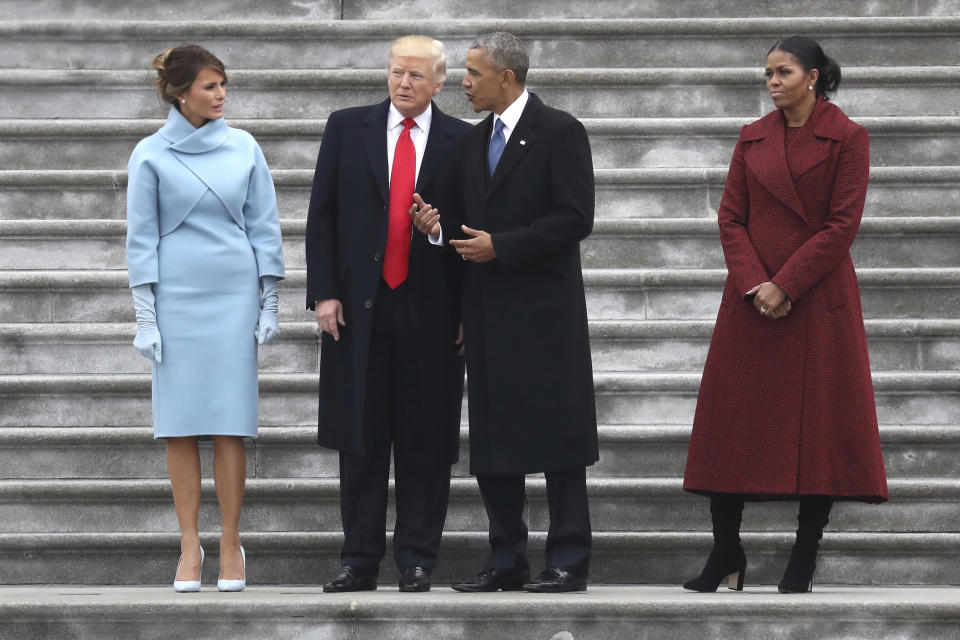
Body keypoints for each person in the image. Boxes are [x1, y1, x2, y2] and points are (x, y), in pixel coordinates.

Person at [682, 36, 888, 594]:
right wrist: (756, 283)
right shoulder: (752, 138)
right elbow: (730, 218)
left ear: (813, 78)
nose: (772, 81)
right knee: (730, 425)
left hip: (816, 299)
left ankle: (804, 555)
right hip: (751, 302)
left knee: (817, 430)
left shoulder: (848, 138)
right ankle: (726, 551)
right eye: (768, 73)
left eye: (783, 72)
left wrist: (786, 283)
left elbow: (842, 225)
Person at [413, 32, 598, 593]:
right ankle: (507, 560)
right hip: (488, 313)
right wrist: (438, 228)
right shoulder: (472, 143)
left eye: (472, 73)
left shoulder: (560, 131)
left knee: (560, 442)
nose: (462, 83)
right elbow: (462, 219)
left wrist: (504, 245)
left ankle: (567, 560)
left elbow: (575, 218)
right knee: (494, 445)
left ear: (507, 78)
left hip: (546, 315)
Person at [305, 36, 470, 593]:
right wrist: (324, 293)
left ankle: (418, 558)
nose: (404, 84)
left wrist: (439, 231)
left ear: (440, 83)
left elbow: (471, 225)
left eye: (417, 77)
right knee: (361, 438)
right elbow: (321, 214)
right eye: (397, 73)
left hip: (431, 309)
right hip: (359, 309)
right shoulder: (346, 127)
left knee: (426, 440)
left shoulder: (462, 140)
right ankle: (359, 559)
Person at [126, 45, 285, 593]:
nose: (221, 95)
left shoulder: (245, 147)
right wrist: (145, 316)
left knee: (229, 421)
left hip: (232, 292)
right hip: (176, 295)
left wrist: (270, 300)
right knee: (179, 423)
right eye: (210, 86)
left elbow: (264, 225)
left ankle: (230, 541)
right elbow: (140, 239)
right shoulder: (149, 154)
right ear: (180, 92)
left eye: (223, 85)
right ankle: (189, 543)